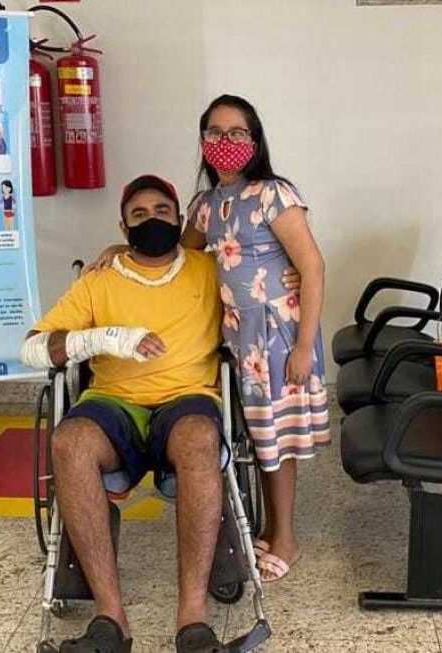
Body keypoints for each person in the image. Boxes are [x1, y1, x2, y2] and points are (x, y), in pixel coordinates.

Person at [89, 95, 329, 583]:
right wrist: (120, 245)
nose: (226, 141)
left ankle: (286, 538)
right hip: (236, 338)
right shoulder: (204, 206)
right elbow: (175, 258)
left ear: (254, 140)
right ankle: (267, 528)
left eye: (237, 132)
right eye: (215, 132)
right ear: (203, 141)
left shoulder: (273, 194)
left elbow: (313, 266)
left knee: (277, 441)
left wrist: (304, 345)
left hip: (278, 337)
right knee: (258, 439)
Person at [20, 175, 229, 652]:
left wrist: (291, 279)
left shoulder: (209, 270)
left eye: (162, 211)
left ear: (180, 219)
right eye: (139, 215)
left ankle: (193, 620)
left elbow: (263, 285)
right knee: (69, 442)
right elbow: (33, 348)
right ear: (123, 226)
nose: (152, 220)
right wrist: (107, 338)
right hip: (114, 400)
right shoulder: (99, 279)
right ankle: (110, 620)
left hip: (187, 398)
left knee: (199, 437)